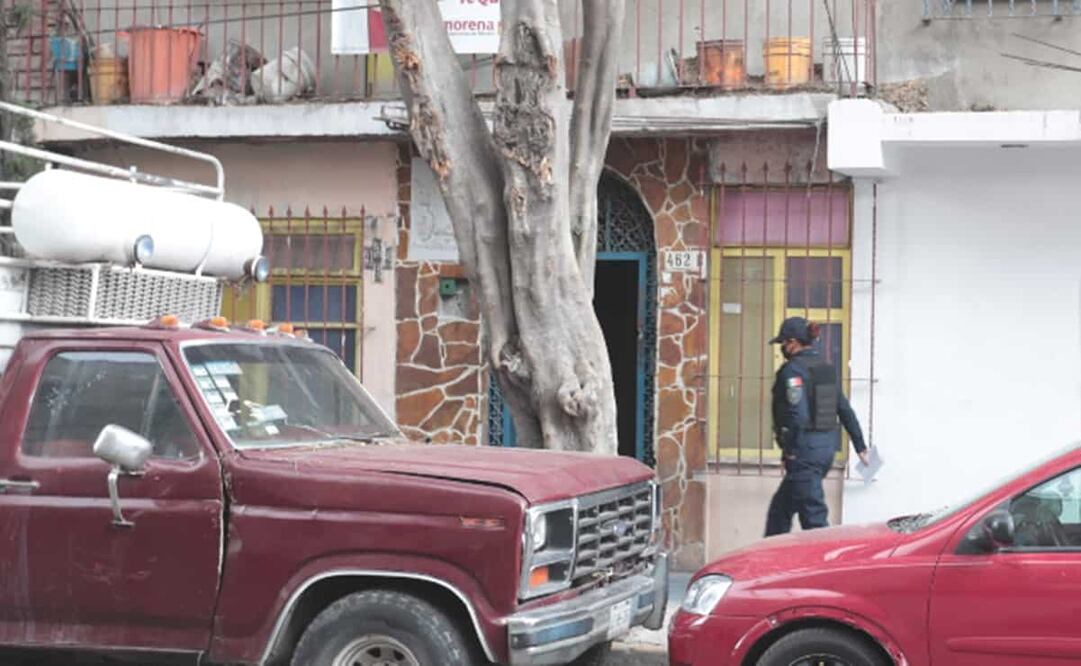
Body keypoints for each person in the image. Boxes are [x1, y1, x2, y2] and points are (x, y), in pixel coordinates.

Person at [765, 316, 870, 537]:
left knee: (814, 522)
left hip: (804, 455)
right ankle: (770, 563)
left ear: (793, 342)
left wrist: (791, 452)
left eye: (783, 343)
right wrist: (860, 445)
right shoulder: (825, 369)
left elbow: (798, 415)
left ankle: (829, 567)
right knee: (780, 511)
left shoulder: (792, 371)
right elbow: (844, 409)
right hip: (825, 451)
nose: (782, 348)